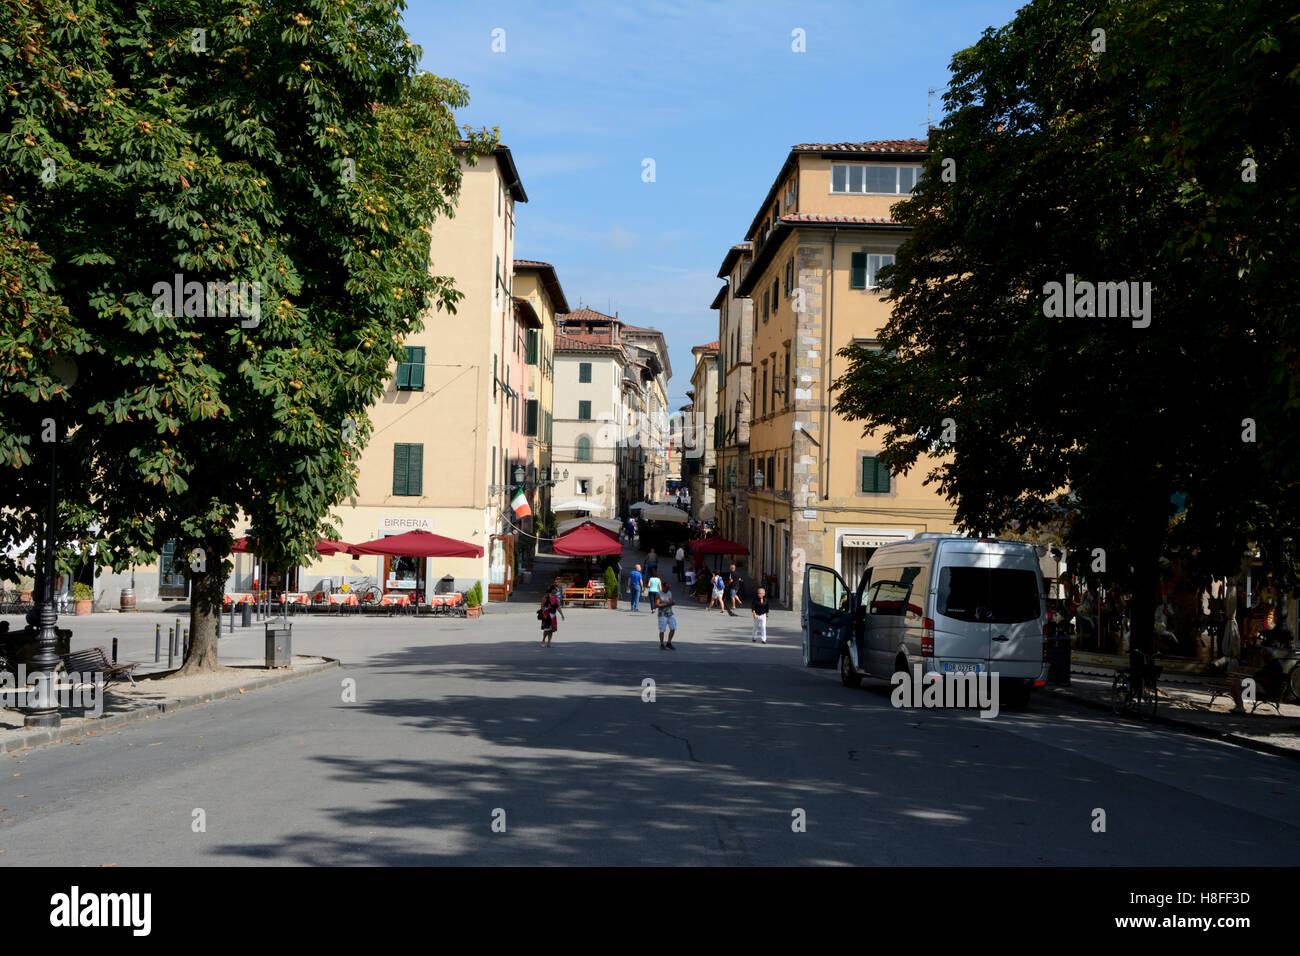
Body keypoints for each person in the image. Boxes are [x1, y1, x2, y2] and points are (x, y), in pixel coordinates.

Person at [1229, 647, 1283, 712]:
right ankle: (1239, 706)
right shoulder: (1273, 664)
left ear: (1268, 655)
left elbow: (1267, 680)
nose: (1263, 659)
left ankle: (1240, 707)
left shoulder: (1273, 665)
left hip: (1265, 689)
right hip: (1263, 686)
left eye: (1264, 656)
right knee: (1236, 683)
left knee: (1237, 683)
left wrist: (1254, 679)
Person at [657, 583, 677, 649]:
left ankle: (669, 642)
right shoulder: (659, 594)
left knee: (673, 628)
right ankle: (662, 644)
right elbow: (657, 605)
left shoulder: (669, 593)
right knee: (662, 630)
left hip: (670, 613)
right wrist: (666, 604)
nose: (668, 589)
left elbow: (670, 601)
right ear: (663, 587)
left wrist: (673, 602)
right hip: (662, 614)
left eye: (669, 588)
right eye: (667, 588)